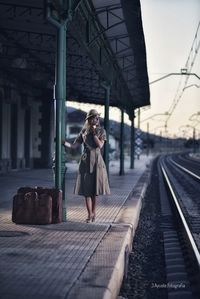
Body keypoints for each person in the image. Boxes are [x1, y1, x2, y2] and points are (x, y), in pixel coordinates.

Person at [63, 109, 110, 223]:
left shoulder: (101, 131)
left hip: (97, 163)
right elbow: (74, 146)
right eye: (95, 117)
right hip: (85, 162)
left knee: (95, 192)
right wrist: (64, 142)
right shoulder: (83, 131)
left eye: (98, 117)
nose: (97, 119)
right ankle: (89, 215)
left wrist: (94, 133)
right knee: (86, 191)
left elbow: (99, 145)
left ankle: (94, 214)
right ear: (89, 119)